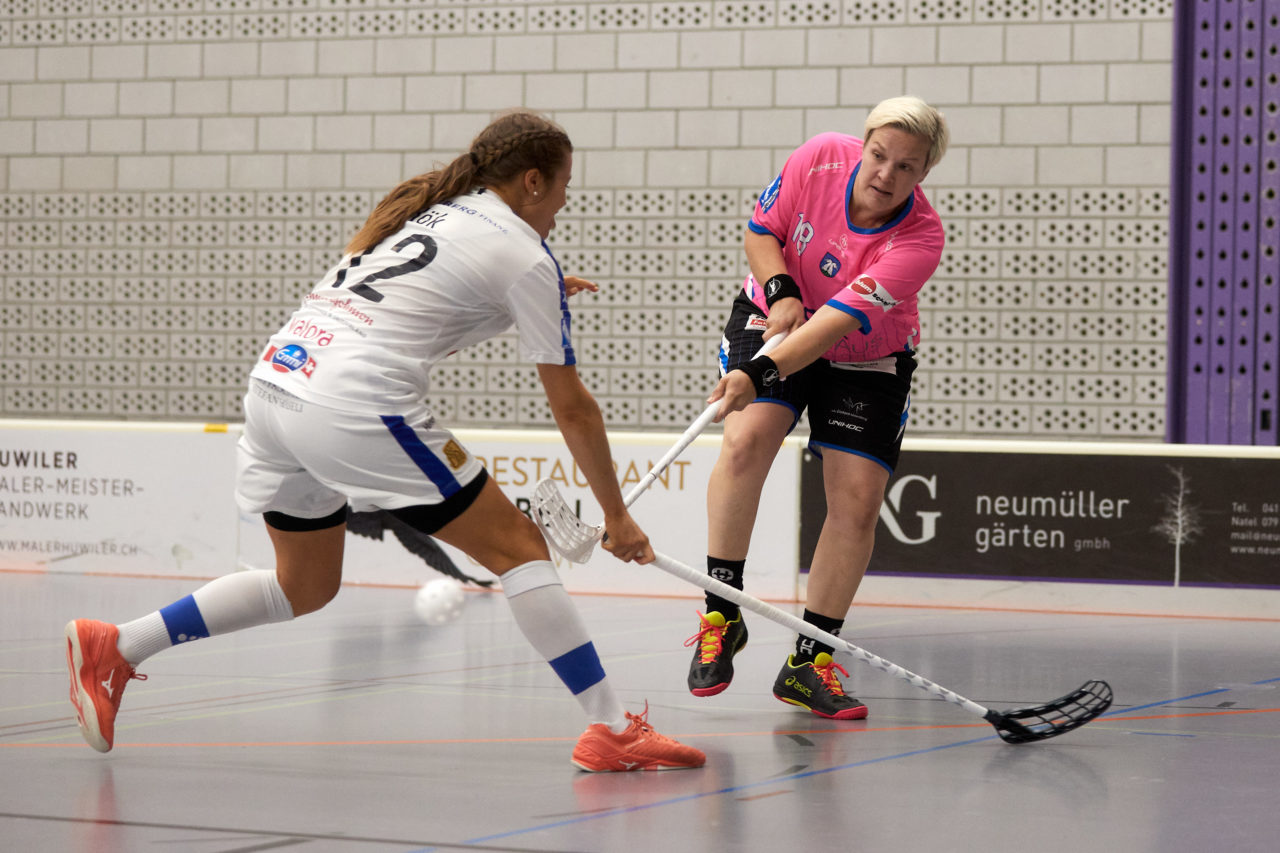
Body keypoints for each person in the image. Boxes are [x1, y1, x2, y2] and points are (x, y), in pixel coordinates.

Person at [65, 109, 704, 772]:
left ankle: (119, 644)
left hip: (277, 387)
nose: (565, 204)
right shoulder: (523, 252)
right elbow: (573, 408)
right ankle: (610, 726)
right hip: (351, 402)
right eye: (565, 186)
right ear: (533, 181)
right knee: (520, 547)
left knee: (303, 585)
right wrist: (618, 516)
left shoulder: (426, 214)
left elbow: (409, 311)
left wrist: (527, 297)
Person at [683, 96, 949, 720]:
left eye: (906, 167)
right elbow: (762, 232)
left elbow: (834, 324)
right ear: (863, 144)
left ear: (924, 173)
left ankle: (809, 662)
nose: (886, 174)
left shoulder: (921, 238)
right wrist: (780, 290)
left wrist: (759, 371)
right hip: (772, 315)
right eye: (879, 155)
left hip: (866, 354)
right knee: (746, 441)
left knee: (856, 500)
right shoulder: (820, 156)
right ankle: (722, 612)